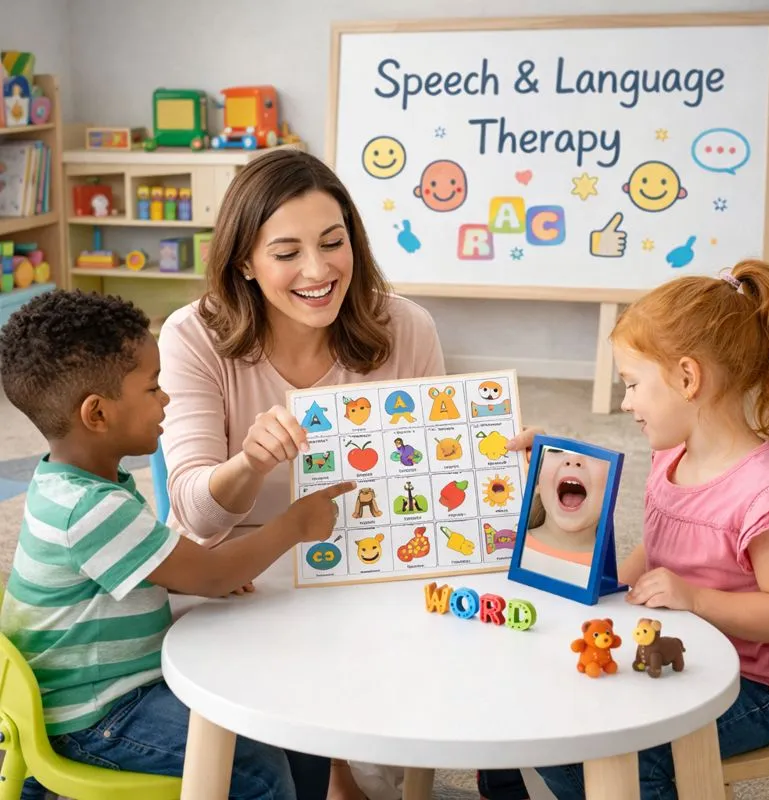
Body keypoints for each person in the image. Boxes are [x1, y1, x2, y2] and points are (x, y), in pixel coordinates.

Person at [156, 148, 445, 800]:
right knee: (287, 736)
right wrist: (250, 462)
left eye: (333, 242)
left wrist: (490, 464)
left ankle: (345, 767)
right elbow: (197, 513)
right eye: (286, 252)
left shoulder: (406, 326)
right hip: (237, 571)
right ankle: (333, 766)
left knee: (402, 723)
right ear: (245, 265)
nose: (318, 271)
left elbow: (428, 486)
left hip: (363, 556)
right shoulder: (193, 335)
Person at [0, 290, 354, 800]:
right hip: (94, 715)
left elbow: (180, 567)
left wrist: (207, 571)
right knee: (257, 772)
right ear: (97, 414)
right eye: (153, 388)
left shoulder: (74, 482)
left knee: (283, 714)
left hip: (99, 693)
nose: (166, 399)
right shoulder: (91, 509)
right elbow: (210, 576)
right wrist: (294, 526)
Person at [481, 260, 769, 800]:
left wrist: (694, 598)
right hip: (674, 653)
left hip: (752, 691)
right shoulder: (670, 456)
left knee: (598, 747)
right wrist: (555, 464)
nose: (624, 402)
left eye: (631, 384)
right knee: (538, 698)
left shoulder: (766, 493)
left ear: (687, 377)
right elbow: (659, 546)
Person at [520, 447, 608, 585]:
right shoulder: (507, 544)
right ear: (537, 483)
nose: (573, 460)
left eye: (596, 454)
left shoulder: (609, 569)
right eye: (556, 450)